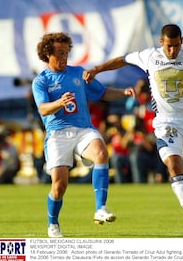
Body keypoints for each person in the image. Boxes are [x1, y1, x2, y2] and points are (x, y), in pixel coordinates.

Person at [84, 24, 183, 233]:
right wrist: (97, 69)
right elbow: (123, 59)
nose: (172, 50)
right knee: (173, 163)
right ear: (162, 42)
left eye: (176, 46)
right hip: (166, 121)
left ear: (182, 41)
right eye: (169, 46)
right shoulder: (149, 56)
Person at [31, 32, 135, 238]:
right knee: (59, 186)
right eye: (60, 53)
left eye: (67, 53)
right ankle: (53, 224)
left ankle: (100, 209)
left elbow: (103, 93)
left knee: (101, 153)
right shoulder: (41, 81)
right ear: (47, 54)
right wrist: (59, 103)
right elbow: (43, 109)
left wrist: (123, 93)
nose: (64, 57)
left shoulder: (79, 73)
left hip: (83, 129)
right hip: (57, 134)